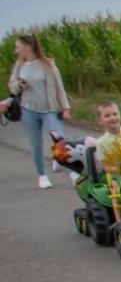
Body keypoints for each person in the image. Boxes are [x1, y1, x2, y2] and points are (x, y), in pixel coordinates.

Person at [8, 34, 72, 189]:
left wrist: (65, 108)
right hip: (28, 109)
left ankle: (59, 160)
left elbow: (59, 88)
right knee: (35, 144)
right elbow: (11, 84)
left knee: (59, 137)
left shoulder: (48, 65)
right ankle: (42, 176)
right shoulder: (20, 65)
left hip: (49, 108)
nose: (16, 50)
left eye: (18, 47)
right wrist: (18, 86)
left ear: (28, 47)